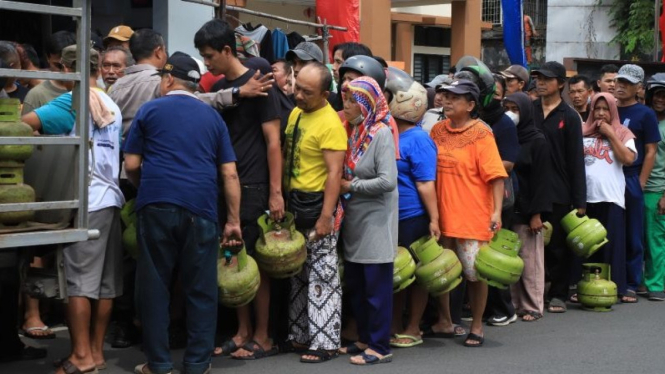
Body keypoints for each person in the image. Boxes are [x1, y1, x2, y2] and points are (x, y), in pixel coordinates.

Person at [123, 51, 242, 374]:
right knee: (201, 288)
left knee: (155, 286)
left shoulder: (149, 110)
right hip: (200, 208)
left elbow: (131, 165)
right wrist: (233, 221)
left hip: (156, 205)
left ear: (168, 80)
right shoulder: (212, 118)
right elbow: (229, 174)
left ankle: (159, 364)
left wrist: (146, 186)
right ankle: (197, 363)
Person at [23, 45, 125, 374]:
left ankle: (80, 356)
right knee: (105, 284)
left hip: (86, 203)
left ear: (68, 71)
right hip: (110, 200)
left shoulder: (72, 101)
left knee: (79, 283)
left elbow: (22, 126)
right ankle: (94, 353)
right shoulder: (110, 102)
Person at [195, 19, 284, 360]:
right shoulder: (221, 88)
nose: (206, 63)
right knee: (233, 257)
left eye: (209, 56)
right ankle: (242, 330)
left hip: (256, 185)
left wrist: (275, 193)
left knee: (257, 261)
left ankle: (263, 335)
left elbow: (273, 141)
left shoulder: (260, 83)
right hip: (225, 185)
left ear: (227, 50)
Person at [430, 79, 507, 347]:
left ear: (471, 104)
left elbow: (496, 177)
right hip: (441, 217)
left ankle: (476, 325)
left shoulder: (482, 134)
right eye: (446, 95)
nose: (447, 101)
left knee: (475, 275)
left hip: (473, 217)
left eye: (455, 97)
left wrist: (496, 212)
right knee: (442, 272)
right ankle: (445, 320)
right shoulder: (437, 130)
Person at [283, 62, 346, 363]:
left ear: (324, 94)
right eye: (297, 88)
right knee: (298, 272)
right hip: (295, 202)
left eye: (306, 92)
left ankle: (326, 342)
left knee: (323, 273)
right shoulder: (297, 113)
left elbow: (335, 174)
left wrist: (326, 217)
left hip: (317, 202)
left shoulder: (330, 123)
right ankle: (300, 335)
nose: (297, 96)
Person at [338, 77, 397, 365]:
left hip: (376, 222)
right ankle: (364, 337)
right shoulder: (353, 131)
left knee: (376, 288)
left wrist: (352, 187)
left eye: (351, 101)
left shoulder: (380, 133)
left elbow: (387, 181)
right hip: (355, 221)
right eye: (345, 99)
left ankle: (380, 346)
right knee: (358, 285)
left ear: (365, 104)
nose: (345, 106)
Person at [383, 72, 438, 349]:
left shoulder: (418, 139)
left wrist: (434, 219)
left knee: (415, 275)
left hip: (413, 217)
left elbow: (427, 183)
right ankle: (393, 324)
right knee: (396, 272)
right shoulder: (389, 132)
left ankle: (414, 326)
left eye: (390, 96)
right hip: (390, 217)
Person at [0, 58, 48, 365]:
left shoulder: (8, 105)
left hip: (8, 202)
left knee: (6, 277)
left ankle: (8, 343)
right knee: (5, 276)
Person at [531, 61, 586, 313]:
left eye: (546, 79)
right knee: (530, 243)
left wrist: (580, 201)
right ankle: (533, 292)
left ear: (561, 84)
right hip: (530, 188)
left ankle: (559, 293)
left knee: (557, 246)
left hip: (559, 189)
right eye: (538, 78)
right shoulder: (528, 110)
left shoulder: (569, 116)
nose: (540, 82)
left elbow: (576, 160)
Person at [578, 92, 636, 302]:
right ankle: (583, 287)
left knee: (612, 246)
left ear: (613, 111)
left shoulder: (623, 133)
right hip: (586, 198)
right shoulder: (583, 131)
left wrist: (610, 134)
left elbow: (628, 159)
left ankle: (616, 288)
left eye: (606, 109)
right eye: (597, 109)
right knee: (584, 246)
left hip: (610, 197)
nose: (601, 113)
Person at [503, 92, 553, 322]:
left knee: (530, 258)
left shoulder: (537, 140)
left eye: (516, 109)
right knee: (510, 258)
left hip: (528, 207)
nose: (511, 113)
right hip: (508, 205)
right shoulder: (506, 136)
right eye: (508, 107)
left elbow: (542, 180)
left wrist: (537, 214)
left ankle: (532, 305)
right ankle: (513, 303)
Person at [614, 64, 662, 302]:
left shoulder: (646, 114)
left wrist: (641, 183)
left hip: (632, 176)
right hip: (607, 176)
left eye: (628, 83)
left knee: (634, 233)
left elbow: (651, 150)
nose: (621, 86)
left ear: (639, 88)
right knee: (611, 230)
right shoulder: (606, 107)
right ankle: (611, 279)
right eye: (619, 81)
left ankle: (633, 283)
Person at [484, 73, 520, 327]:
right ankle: (483, 307)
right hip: (475, 196)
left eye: (497, 94)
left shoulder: (504, 123)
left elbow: (509, 162)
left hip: (500, 197)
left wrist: (480, 167)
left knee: (496, 255)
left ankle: (504, 308)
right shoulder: (475, 119)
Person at [643, 73, 665, 301]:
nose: (660, 99)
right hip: (640, 186)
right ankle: (643, 280)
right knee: (641, 238)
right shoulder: (648, 119)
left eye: (664, 96)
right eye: (657, 95)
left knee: (656, 240)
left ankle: (656, 284)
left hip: (658, 189)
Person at [22, 30, 76, 115]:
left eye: (69, 66)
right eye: (58, 66)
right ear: (48, 58)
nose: (64, 71)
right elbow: (26, 127)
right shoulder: (36, 95)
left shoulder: (89, 91)